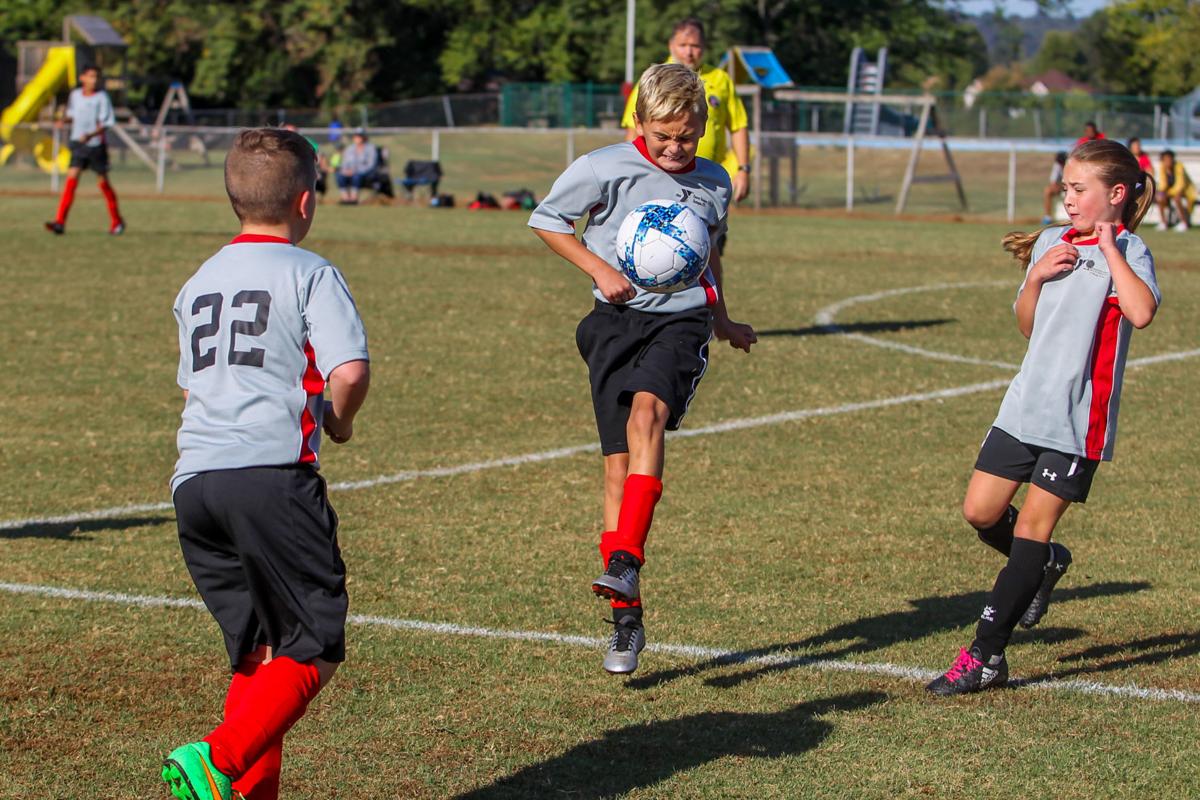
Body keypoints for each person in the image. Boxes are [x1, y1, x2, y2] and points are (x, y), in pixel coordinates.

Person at [161, 128, 371, 799]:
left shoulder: (197, 282)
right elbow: (350, 369)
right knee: (314, 645)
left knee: (260, 653)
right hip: (270, 477)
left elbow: (194, 386)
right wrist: (337, 420)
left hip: (195, 482)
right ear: (307, 202)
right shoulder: (308, 272)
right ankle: (216, 761)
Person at [529, 63, 756, 675]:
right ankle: (627, 622)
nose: (676, 149)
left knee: (648, 415)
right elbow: (547, 221)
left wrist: (723, 320)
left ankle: (626, 558)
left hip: (679, 321)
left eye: (688, 137)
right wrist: (598, 270)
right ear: (639, 124)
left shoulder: (713, 182)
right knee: (615, 471)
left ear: (705, 128)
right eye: (663, 138)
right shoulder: (603, 167)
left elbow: (706, 256)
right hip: (613, 322)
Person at [927, 139, 1159, 697]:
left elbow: (1142, 312)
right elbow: (1028, 324)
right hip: (1023, 405)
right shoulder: (1052, 242)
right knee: (981, 513)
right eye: (1066, 187)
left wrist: (1112, 253)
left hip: (1078, 420)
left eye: (1080, 190)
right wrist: (1035, 278)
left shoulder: (1131, 249)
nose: (1068, 198)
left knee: (1032, 527)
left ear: (1117, 194)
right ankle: (1044, 566)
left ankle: (985, 656)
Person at [622, 18, 751, 214]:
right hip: (659, 179)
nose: (689, 52)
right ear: (671, 45)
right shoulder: (653, 78)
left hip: (705, 184)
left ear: (704, 47)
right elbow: (634, 129)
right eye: (683, 45)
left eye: (695, 46)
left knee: (710, 238)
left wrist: (743, 170)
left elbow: (738, 126)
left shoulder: (721, 80)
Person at [44, 64, 124, 235]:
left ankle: (116, 221)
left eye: (97, 77)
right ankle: (60, 222)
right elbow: (72, 115)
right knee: (71, 181)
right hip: (78, 145)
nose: (94, 80)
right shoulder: (76, 95)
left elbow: (107, 123)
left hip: (95, 145)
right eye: (91, 76)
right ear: (82, 78)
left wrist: (90, 135)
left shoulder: (102, 98)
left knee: (103, 183)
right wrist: (62, 122)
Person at [336, 128, 379, 204]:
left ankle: (354, 199)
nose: (357, 138)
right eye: (356, 136)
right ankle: (345, 199)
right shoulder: (350, 149)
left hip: (366, 174)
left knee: (356, 176)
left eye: (360, 136)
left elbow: (371, 165)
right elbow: (345, 163)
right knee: (339, 175)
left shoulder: (370, 148)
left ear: (364, 137)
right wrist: (345, 171)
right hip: (350, 172)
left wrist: (355, 171)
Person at [1155, 149, 1195, 232]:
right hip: (1171, 192)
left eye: (1169, 159)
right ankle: (1163, 223)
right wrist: (1161, 192)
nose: (1168, 161)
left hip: (1186, 192)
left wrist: (1168, 193)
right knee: (1159, 197)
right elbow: (1162, 184)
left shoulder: (1179, 166)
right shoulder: (1163, 168)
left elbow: (1181, 185)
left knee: (1177, 198)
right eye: (1165, 159)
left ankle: (1184, 223)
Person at [1041, 151, 1067, 225]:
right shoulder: (1057, 166)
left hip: (1071, 186)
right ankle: (1048, 217)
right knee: (1047, 191)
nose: (1061, 164)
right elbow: (1053, 182)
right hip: (1063, 186)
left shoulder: (1070, 165)